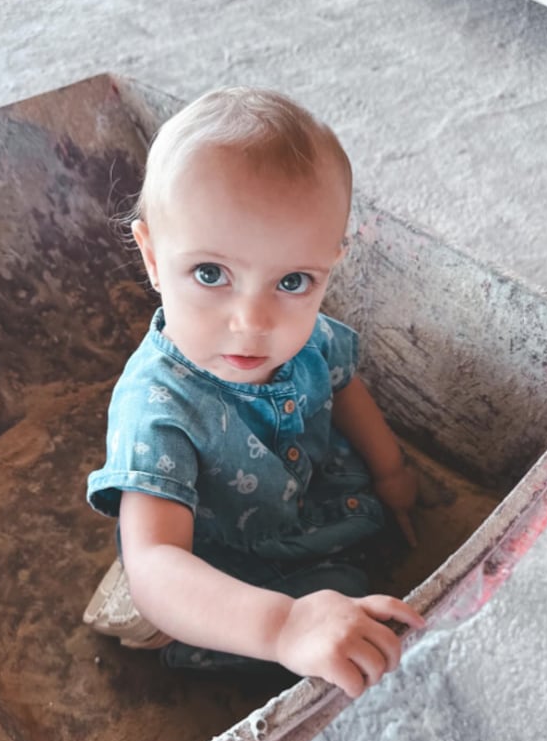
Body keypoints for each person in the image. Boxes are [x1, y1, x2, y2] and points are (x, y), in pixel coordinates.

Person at [86, 87, 423, 698]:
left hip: (307, 499)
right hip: (221, 561)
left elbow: (345, 391)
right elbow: (157, 565)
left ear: (330, 263)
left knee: (364, 578)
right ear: (153, 257)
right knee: (333, 615)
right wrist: (282, 625)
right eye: (210, 274)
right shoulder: (156, 407)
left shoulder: (307, 335)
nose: (254, 322)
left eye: (292, 281)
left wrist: (390, 468)